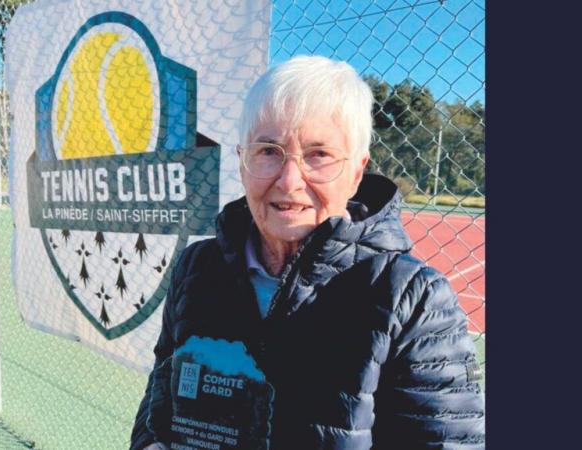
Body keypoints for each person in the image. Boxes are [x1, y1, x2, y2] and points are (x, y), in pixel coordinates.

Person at [130, 55, 485, 450]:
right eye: (268, 150)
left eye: (318, 154)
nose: (289, 180)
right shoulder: (198, 266)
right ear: (242, 162)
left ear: (356, 172)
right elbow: (160, 396)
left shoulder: (412, 297)